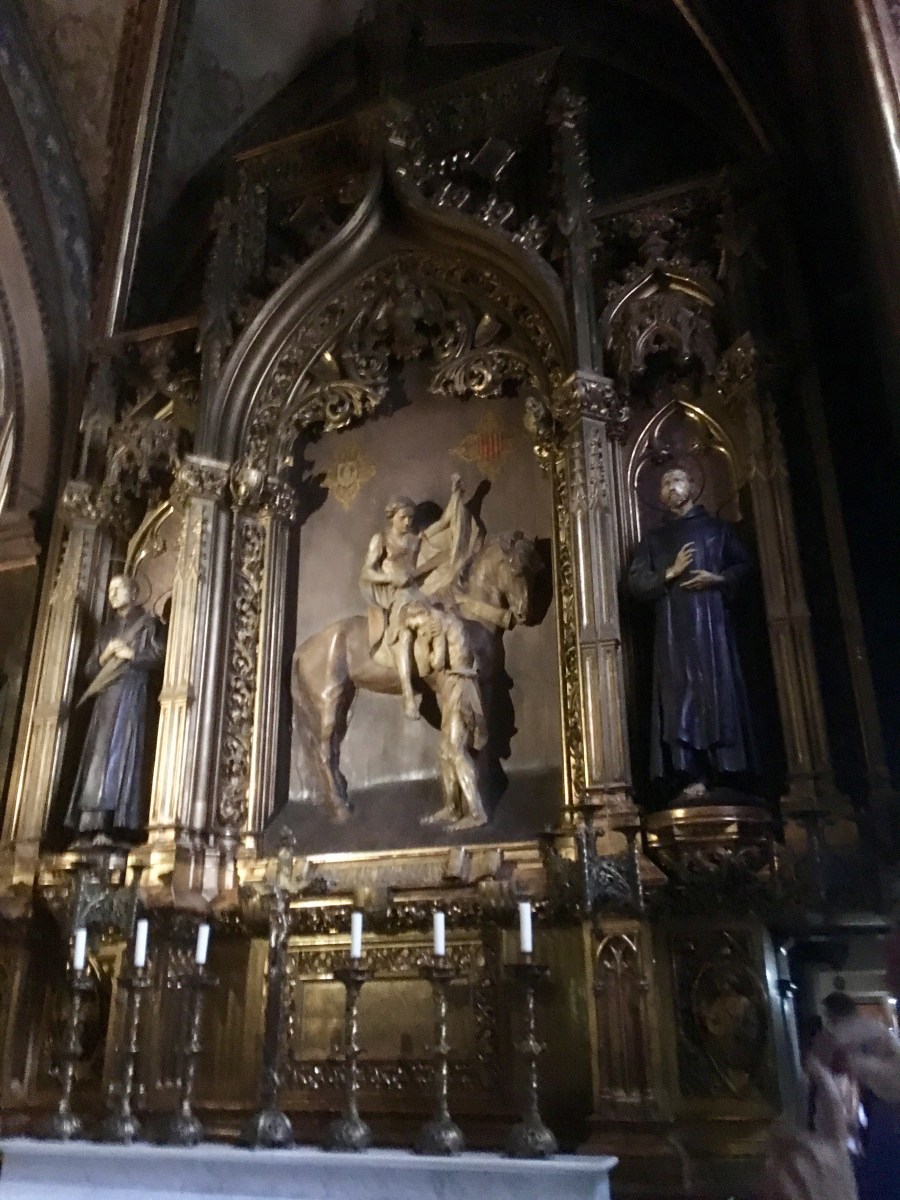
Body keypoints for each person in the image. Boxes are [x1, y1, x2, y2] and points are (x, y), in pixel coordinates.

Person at [627, 466, 757, 801]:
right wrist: (669, 573)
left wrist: (719, 579)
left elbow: (745, 567)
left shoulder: (718, 530)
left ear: (692, 486)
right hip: (674, 635)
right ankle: (689, 774)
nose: (671, 487)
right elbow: (636, 582)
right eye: (665, 483)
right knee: (679, 701)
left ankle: (726, 772)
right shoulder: (655, 539)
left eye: (677, 480)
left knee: (719, 693)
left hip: (714, 631)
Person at [359, 474, 479, 720]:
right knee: (405, 632)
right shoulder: (381, 540)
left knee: (443, 617)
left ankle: (439, 658)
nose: (407, 522)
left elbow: (444, 522)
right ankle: (407, 695)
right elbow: (367, 572)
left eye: (410, 518)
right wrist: (391, 578)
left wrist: (456, 495)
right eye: (403, 517)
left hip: (417, 593)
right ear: (392, 516)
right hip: (396, 597)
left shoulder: (415, 540)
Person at [65, 574, 166, 838]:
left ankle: (118, 823)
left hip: (132, 695)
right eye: (109, 590)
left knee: (121, 754)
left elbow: (162, 655)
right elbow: (89, 670)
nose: (112, 594)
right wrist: (106, 655)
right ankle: (90, 822)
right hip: (105, 699)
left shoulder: (149, 624)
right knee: (98, 758)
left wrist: (132, 654)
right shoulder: (105, 631)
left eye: (118, 589)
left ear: (133, 592)